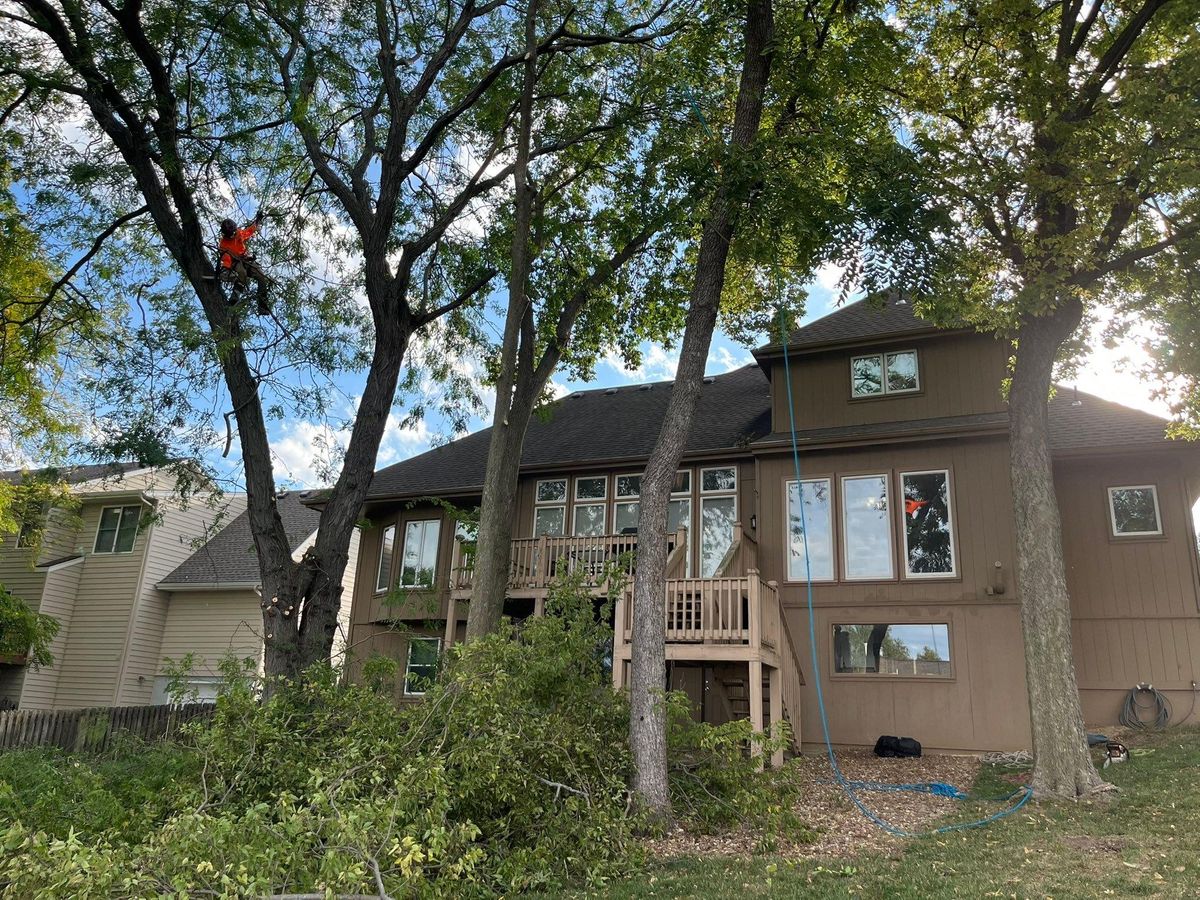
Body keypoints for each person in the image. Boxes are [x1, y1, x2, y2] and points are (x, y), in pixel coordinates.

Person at [218, 210, 270, 315]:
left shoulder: (238, 233)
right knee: (242, 273)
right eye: (230, 234)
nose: (233, 235)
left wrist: (258, 220)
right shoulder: (223, 244)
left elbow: (249, 231)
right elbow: (226, 259)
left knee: (261, 276)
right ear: (225, 234)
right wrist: (225, 269)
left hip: (246, 259)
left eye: (234, 232)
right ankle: (234, 299)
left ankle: (262, 306)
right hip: (235, 262)